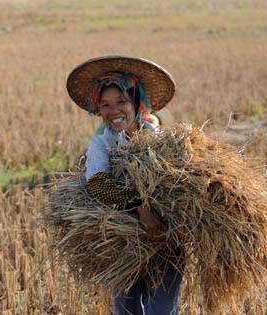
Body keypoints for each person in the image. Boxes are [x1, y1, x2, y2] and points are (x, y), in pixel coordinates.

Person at [66, 56, 183, 315]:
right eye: (105, 105)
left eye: (121, 102)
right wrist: (141, 208)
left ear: (136, 103)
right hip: (122, 241)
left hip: (164, 239)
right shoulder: (102, 145)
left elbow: (180, 187)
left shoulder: (161, 142)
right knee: (127, 310)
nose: (114, 111)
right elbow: (98, 184)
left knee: (162, 310)